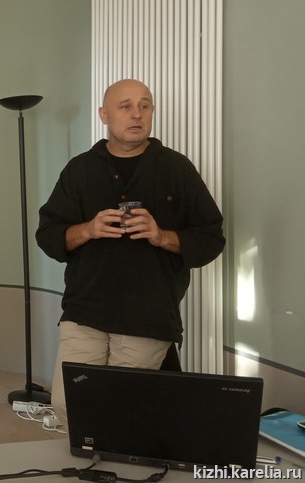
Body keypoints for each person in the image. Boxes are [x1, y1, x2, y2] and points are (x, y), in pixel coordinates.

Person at [35, 78, 225, 421]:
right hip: (85, 311)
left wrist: (161, 236)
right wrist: (88, 230)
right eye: (125, 106)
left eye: (144, 105)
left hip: (148, 316)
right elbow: (48, 235)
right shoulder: (79, 170)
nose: (137, 114)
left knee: (124, 415)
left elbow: (211, 238)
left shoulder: (177, 169)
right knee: (69, 406)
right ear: (104, 115)